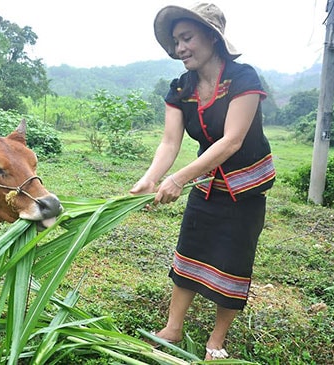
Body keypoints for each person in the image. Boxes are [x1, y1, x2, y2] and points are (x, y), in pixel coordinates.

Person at [130, 3, 276, 361]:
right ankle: (173, 328)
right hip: (207, 183)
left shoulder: (243, 78)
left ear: (212, 37)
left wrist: (178, 178)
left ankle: (216, 340)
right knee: (189, 251)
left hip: (245, 189)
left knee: (234, 260)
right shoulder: (181, 88)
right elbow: (169, 142)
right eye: (176, 41)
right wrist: (150, 179)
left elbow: (233, 140)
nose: (179, 49)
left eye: (186, 38)